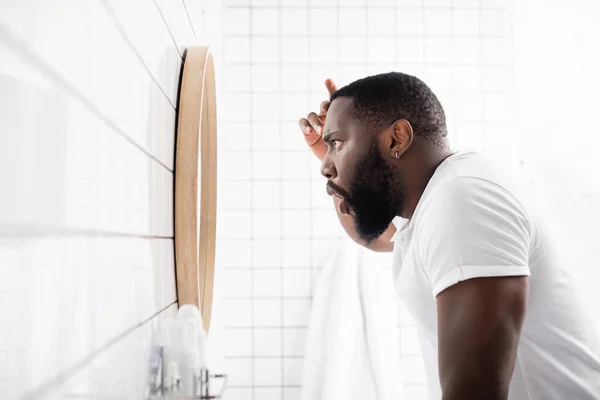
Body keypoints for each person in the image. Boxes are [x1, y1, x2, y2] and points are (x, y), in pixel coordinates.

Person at [298, 72, 600, 400]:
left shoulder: (464, 201)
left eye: (337, 143)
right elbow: (370, 235)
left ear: (397, 138)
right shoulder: (432, 205)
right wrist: (340, 173)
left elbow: (475, 391)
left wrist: (343, 168)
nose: (324, 166)